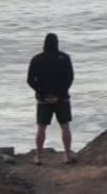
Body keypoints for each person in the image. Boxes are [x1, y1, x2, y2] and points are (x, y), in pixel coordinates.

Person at [27, 33, 75, 165]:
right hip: (62, 98)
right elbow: (69, 78)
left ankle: (38, 157)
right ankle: (67, 155)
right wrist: (58, 95)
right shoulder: (64, 58)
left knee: (41, 127)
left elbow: (31, 81)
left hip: (43, 99)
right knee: (65, 126)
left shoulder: (37, 59)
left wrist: (44, 95)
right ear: (57, 43)